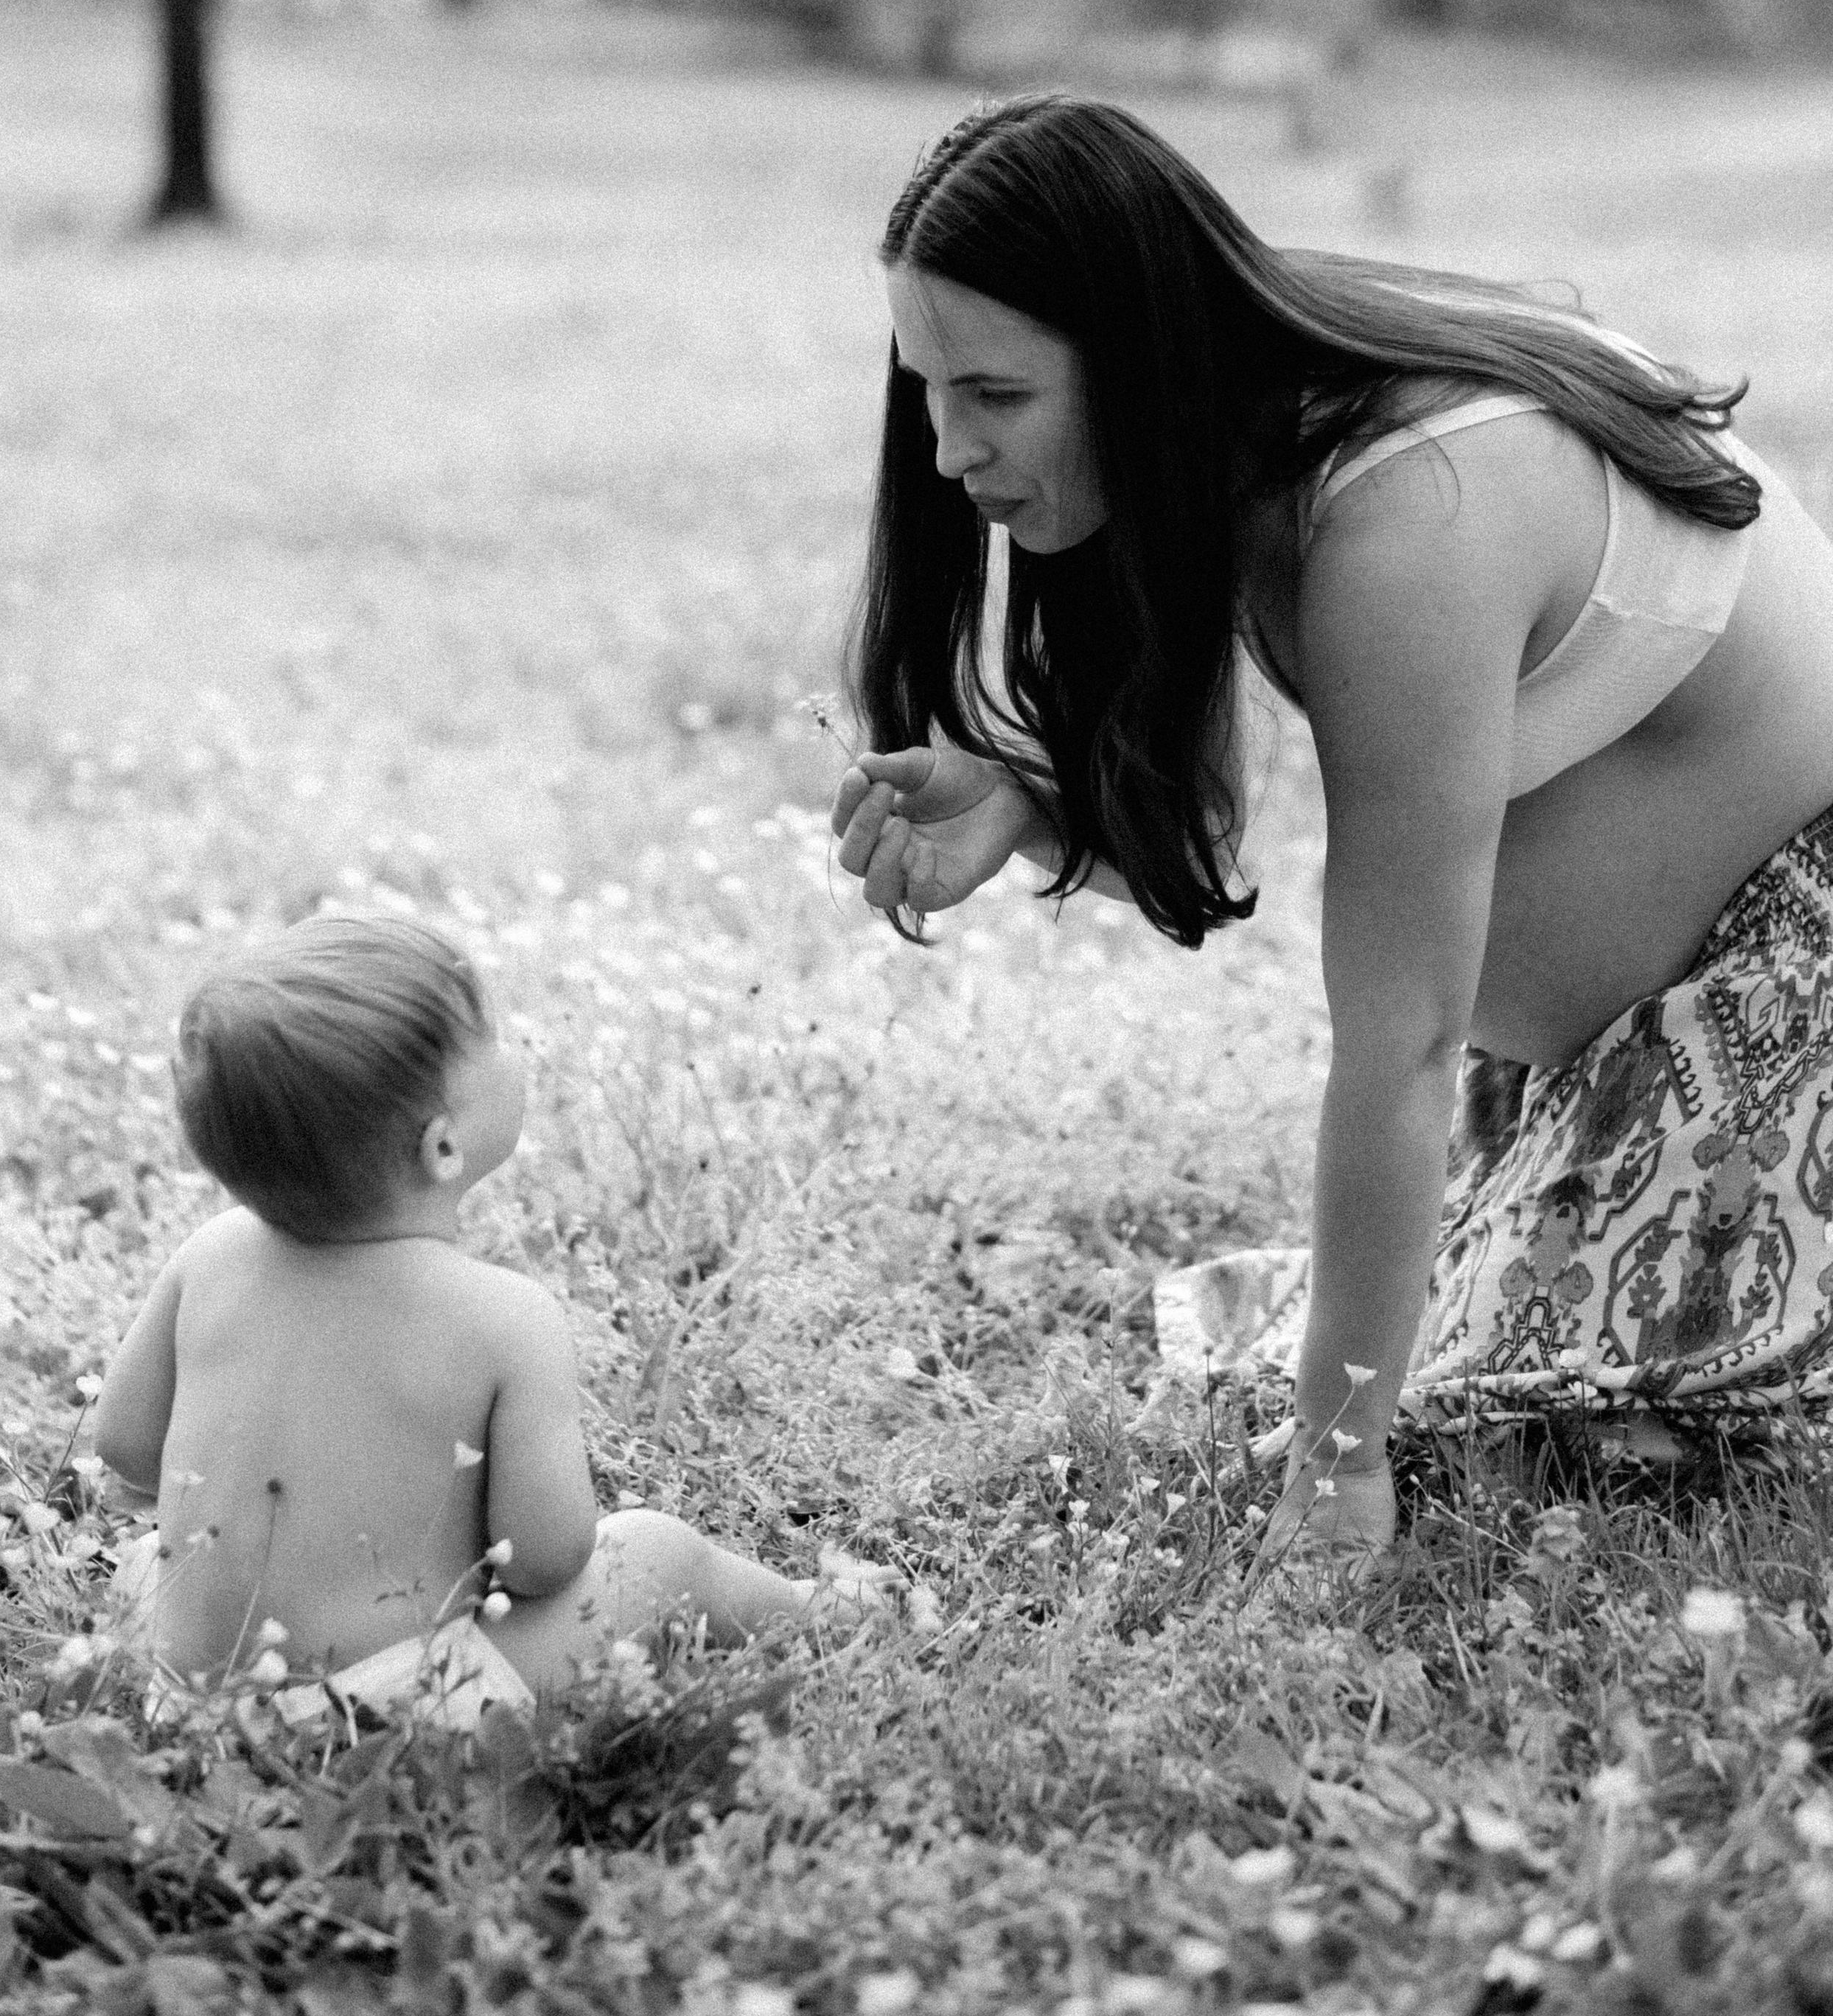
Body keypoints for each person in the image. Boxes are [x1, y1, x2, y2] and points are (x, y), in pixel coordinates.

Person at [829, 94, 1833, 1558]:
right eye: (924, 388)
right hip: (1625, 1047)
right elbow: (1221, 859)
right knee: (1475, 1362)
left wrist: (1336, 1469)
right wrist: (1029, 815)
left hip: (1792, 1019)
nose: (943, 451)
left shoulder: (1404, 517)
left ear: (1136, 360)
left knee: (1572, 1404)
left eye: (993, 395)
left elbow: (1401, 1036)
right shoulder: (1247, 439)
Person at [94, 915, 841, 1708]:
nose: (514, 1049)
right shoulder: (503, 1318)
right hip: (392, 1714)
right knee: (656, 1552)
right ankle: (819, 1615)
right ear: (442, 1147)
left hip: (184, 1695)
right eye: (494, 1035)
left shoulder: (206, 1256)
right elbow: (543, 1560)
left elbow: (127, 1449)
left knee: (149, 1561)